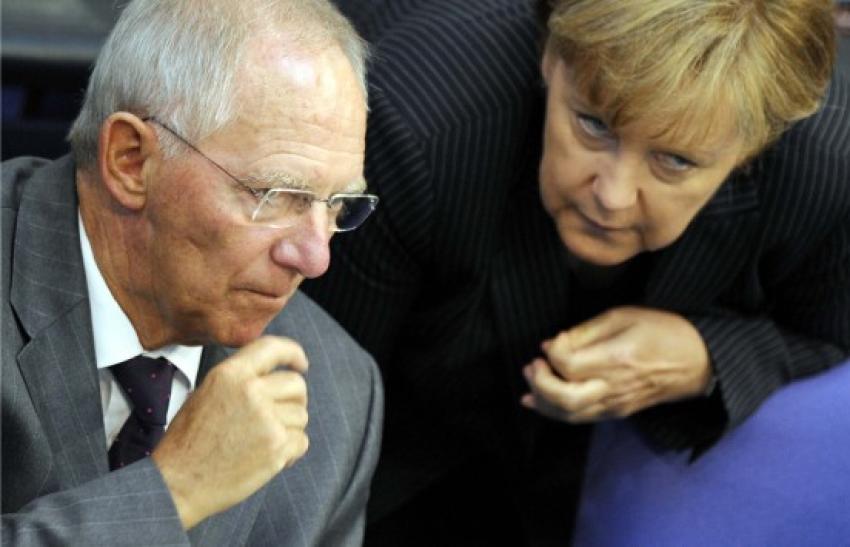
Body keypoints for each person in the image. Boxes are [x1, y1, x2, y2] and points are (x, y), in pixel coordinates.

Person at [306, 0, 850, 544]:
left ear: (753, 148)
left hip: (594, 480)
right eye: (593, 126)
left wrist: (706, 355)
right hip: (395, 447)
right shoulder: (418, 126)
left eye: (675, 160)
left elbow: (831, 331)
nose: (613, 196)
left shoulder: (825, 168)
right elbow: (320, 404)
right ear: (549, 56)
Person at [2, 0, 383, 545]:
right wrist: (172, 493)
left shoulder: (336, 393)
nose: (316, 258)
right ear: (131, 161)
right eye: (276, 196)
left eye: (339, 204)